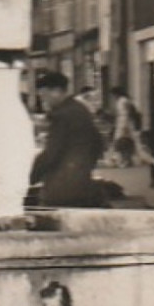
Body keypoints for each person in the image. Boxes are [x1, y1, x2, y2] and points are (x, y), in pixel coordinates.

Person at [30, 71, 105, 207]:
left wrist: (31, 177)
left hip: (61, 185)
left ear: (57, 92)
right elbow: (98, 143)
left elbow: (51, 153)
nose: (43, 101)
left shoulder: (61, 115)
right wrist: (85, 166)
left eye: (44, 96)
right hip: (82, 180)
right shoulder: (80, 108)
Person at [109, 87, 139, 168]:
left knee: (120, 142)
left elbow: (124, 114)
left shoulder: (121, 101)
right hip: (127, 124)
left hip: (123, 124)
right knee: (127, 143)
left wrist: (122, 126)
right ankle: (127, 159)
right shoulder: (125, 100)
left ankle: (119, 160)